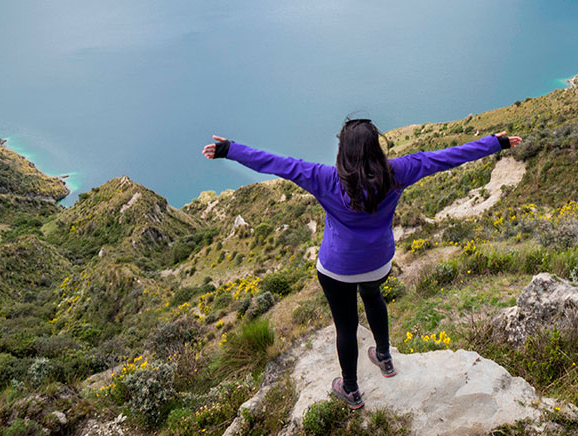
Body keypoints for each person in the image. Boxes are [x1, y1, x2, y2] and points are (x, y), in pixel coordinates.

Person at [202, 119, 522, 409]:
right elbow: (446, 157)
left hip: (337, 267)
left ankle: (351, 389)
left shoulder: (324, 178)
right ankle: (384, 358)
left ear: (343, 151)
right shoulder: (399, 171)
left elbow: (277, 165)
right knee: (373, 297)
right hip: (378, 261)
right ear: (375, 148)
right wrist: (495, 143)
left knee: (346, 326)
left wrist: (230, 150)